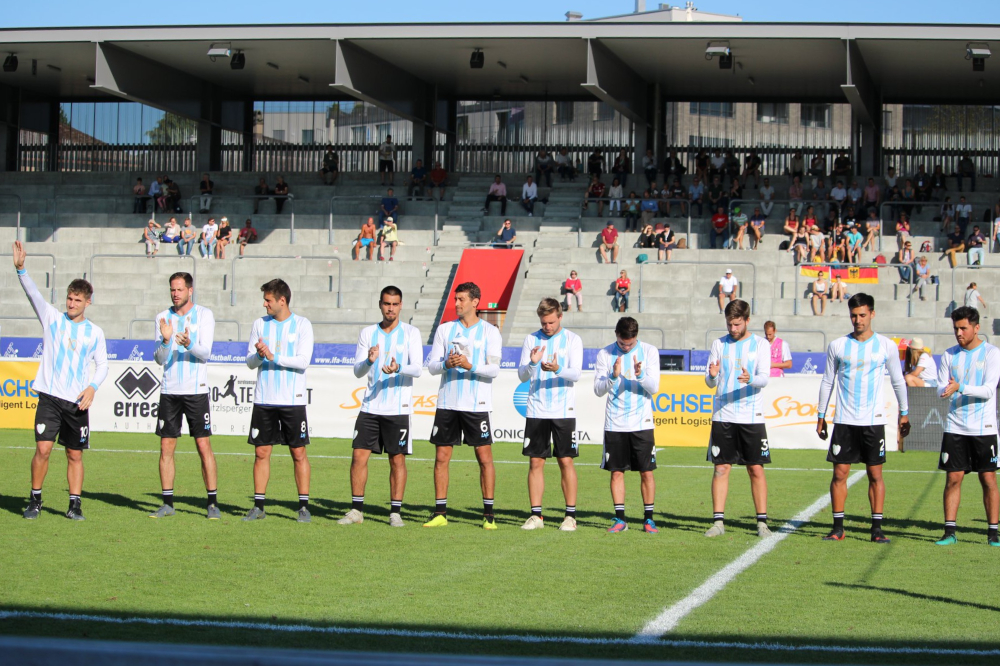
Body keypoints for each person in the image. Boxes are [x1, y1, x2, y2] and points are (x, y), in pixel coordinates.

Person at [14, 241, 108, 522]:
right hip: (49, 397)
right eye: (69, 298)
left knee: (74, 455)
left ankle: (75, 505)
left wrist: (92, 387)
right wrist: (21, 270)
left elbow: (102, 365)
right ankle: (35, 500)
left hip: (76, 403)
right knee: (42, 449)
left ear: (87, 302)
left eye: (77, 300)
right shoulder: (52, 319)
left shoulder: (95, 332)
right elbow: (34, 295)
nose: (71, 303)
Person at [816, 293, 910, 543]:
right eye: (854, 315)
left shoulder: (886, 346)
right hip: (845, 421)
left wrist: (904, 412)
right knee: (839, 474)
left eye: (862, 315)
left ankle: (876, 530)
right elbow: (828, 381)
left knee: (875, 475)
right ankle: (838, 527)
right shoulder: (837, 345)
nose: (857, 320)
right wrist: (821, 415)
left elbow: (898, 381)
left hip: (873, 421)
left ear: (872, 314)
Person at [339, 286, 423, 528]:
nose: (391, 308)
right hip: (370, 407)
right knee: (358, 456)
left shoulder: (411, 333)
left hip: (398, 408)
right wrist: (369, 360)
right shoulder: (368, 333)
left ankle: (395, 512)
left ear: (401, 305)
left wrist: (399, 368)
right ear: (380, 304)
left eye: (395, 304)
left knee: (397, 460)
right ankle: (356, 510)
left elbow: (417, 368)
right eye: (387, 303)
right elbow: (357, 371)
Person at [424, 282, 503, 529]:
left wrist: (470, 366)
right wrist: (447, 364)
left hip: (476, 405)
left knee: (484, 457)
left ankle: (489, 515)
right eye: (456, 299)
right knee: (441, 457)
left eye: (461, 299)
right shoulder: (446, 330)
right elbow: (431, 366)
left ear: (475, 302)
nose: (457, 303)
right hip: (448, 403)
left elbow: (494, 370)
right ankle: (440, 513)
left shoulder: (490, 332)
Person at [243, 279, 315, 522]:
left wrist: (274, 356)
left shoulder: (302, 325)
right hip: (264, 399)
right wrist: (260, 356)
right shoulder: (259, 324)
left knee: (298, 452)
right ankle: (259, 506)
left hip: (292, 400)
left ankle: (303, 507)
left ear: (281, 300)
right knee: (261, 452)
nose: (264, 304)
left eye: (268, 300)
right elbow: (250, 362)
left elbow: (303, 361)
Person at [149, 272, 220, 520]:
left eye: (179, 289)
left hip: (196, 390)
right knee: (166, 446)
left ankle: (212, 503)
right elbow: (159, 358)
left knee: (203, 446)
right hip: (169, 391)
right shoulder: (162, 317)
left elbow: (206, 352)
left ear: (190, 290)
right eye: (172, 289)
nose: (175, 294)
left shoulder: (204, 314)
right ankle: (167, 503)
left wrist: (189, 343)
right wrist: (167, 340)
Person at [704, 300, 773, 538]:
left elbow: (764, 378)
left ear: (747, 320)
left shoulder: (760, 344)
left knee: (755, 468)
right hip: (723, 415)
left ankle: (762, 523)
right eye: (729, 324)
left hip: (751, 415)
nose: (732, 328)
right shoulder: (718, 344)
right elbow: (710, 381)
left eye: (737, 323)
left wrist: (750, 378)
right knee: (721, 468)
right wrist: (712, 376)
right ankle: (718, 522)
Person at [933, 306, 1000, 547]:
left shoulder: (992, 354)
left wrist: (959, 387)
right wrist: (946, 390)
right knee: (953, 478)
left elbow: (989, 390)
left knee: (989, 479)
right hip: (955, 426)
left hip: (984, 427)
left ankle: (993, 533)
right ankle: (949, 531)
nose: (959, 333)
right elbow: (940, 387)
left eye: (963, 328)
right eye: (956, 328)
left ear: (976, 327)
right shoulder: (949, 355)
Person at [517, 298, 584, 531]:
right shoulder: (531, 339)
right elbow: (522, 376)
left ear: (560, 317)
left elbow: (576, 374)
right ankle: (536, 516)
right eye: (544, 322)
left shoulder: (573, 340)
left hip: (563, 410)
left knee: (565, 461)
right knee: (536, 461)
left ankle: (570, 516)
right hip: (536, 409)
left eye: (551, 322)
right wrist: (533, 364)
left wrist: (557, 369)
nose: (547, 326)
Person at [594, 316, 661, 534]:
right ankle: (620, 519)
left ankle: (649, 519)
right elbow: (598, 390)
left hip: (642, 422)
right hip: (615, 423)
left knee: (646, 472)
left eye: (630, 344)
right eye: (623, 343)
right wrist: (613, 377)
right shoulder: (605, 354)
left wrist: (640, 375)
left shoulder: (649, 352)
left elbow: (654, 387)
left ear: (636, 337)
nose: (626, 347)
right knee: (616, 472)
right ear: (616, 335)